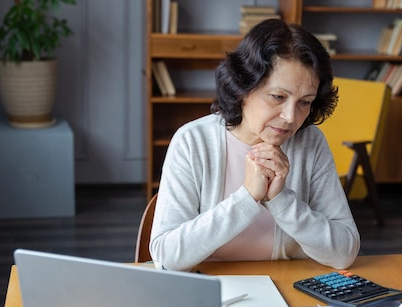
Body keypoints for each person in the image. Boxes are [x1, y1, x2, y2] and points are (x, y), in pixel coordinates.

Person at [150, 18, 360, 272]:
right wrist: (247, 198)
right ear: (242, 88)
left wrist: (281, 200)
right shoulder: (193, 142)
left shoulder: (310, 143)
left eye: (305, 102)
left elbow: (344, 252)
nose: (291, 117)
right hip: (210, 289)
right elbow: (166, 256)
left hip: (290, 288)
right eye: (278, 97)